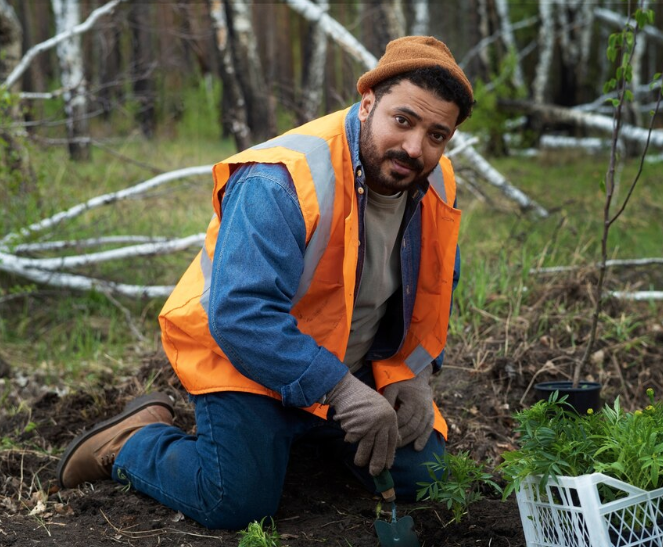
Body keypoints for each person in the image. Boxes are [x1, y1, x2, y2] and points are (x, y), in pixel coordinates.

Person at [56, 36, 473, 530]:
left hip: (345, 367)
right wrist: (341, 391)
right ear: (367, 104)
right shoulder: (280, 180)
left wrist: (418, 375)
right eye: (403, 121)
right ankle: (132, 443)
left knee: (425, 478)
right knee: (237, 504)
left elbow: (438, 279)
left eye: (436, 134)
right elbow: (239, 315)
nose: (414, 147)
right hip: (247, 363)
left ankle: (296, 440)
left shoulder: (433, 180)